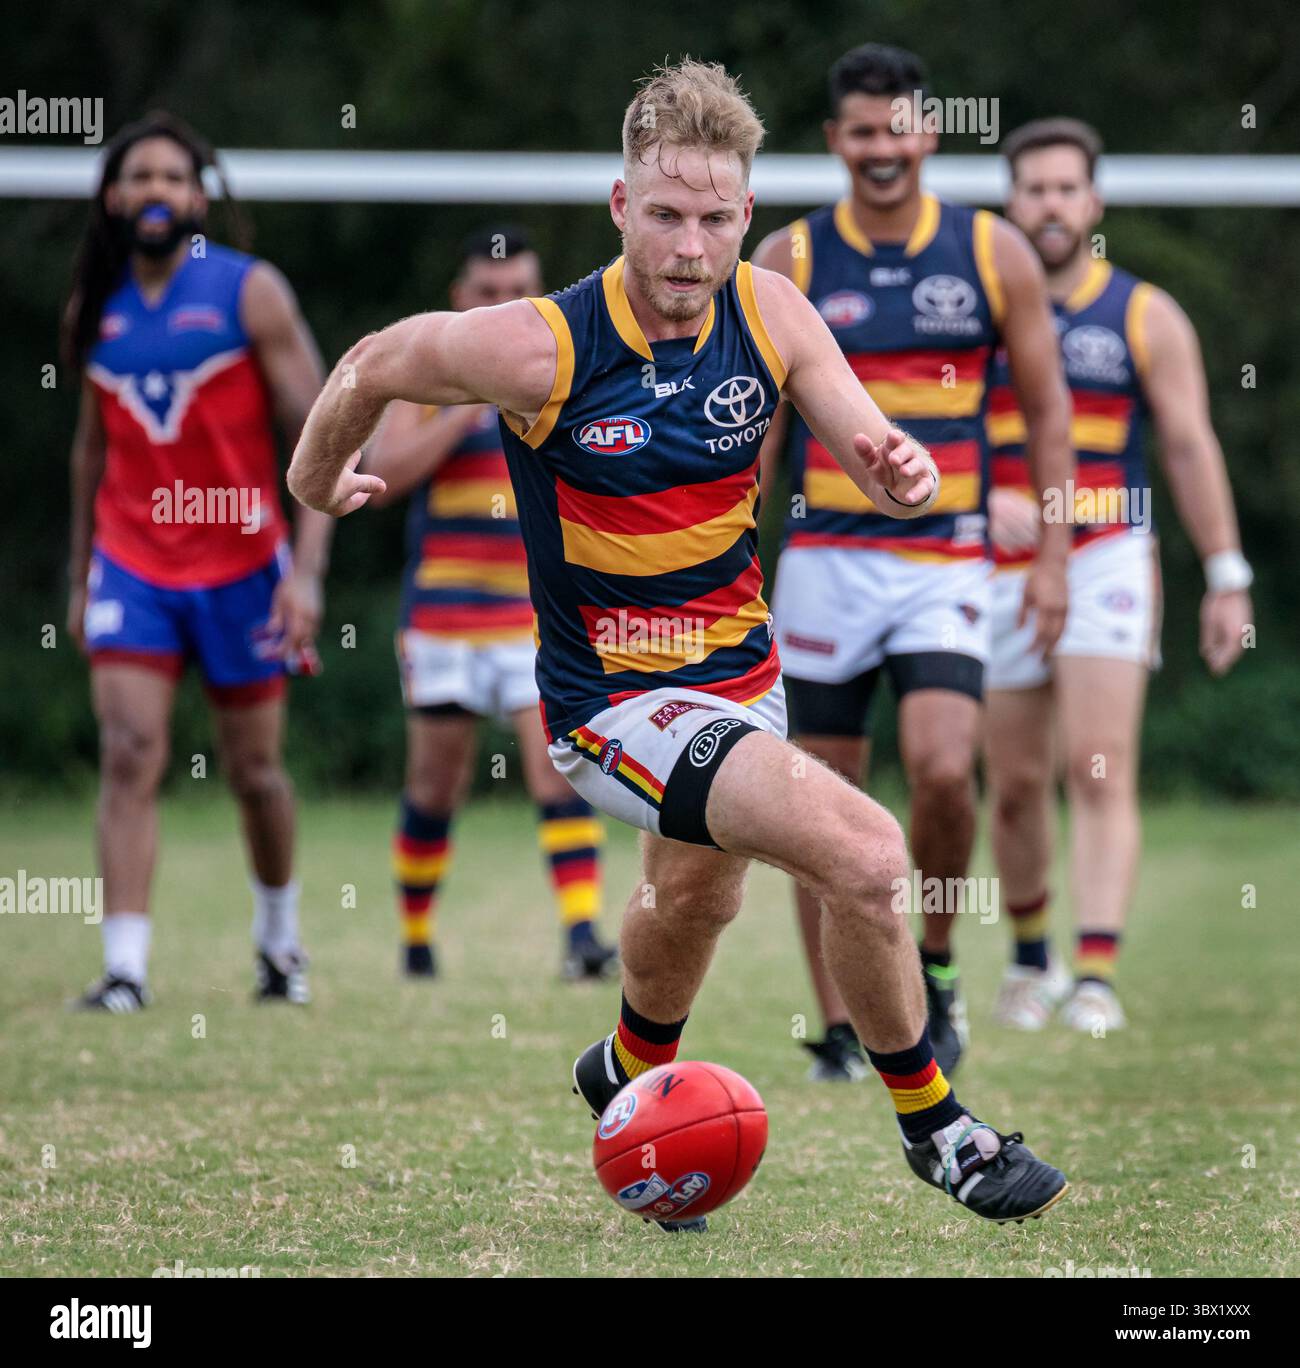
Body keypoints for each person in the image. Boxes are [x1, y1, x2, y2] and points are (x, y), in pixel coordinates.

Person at [288, 60, 1069, 1230]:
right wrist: (312, 478)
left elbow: (867, 444)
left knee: (694, 902)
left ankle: (622, 1065)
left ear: (745, 215)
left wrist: (897, 473)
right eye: (664, 215)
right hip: (612, 707)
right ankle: (939, 1128)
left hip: (743, 681)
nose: (689, 247)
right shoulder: (542, 346)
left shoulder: (774, 309)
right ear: (620, 207)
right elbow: (377, 359)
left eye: (713, 218)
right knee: (862, 851)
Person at [752, 45, 1072, 1078]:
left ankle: (931, 963)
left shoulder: (993, 253)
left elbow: (1047, 407)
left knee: (942, 772)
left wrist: (1055, 551)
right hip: (824, 562)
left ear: (928, 134)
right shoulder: (788, 260)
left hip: (944, 561)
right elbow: (750, 426)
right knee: (817, 802)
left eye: (897, 129)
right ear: (834, 139)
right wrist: (725, 555)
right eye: (860, 131)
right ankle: (842, 1029)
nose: (880, 149)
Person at [984, 118, 1254, 1032]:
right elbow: (927, 428)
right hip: (995, 565)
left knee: (1098, 770)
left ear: (1092, 203)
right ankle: (1030, 960)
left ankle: (1096, 971)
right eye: (1034, 189)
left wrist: (1227, 574)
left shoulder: (1144, 312)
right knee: (1015, 782)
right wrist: (982, 495)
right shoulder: (974, 310)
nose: (1050, 205)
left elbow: (1187, 445)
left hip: (1106, 554)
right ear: (1011, 202)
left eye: (1066, 189)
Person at [63, 112, 334, 1010]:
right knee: (130, 750)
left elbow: (323, 433)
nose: (155, 193)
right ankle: (127, 971)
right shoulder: (93, 307)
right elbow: (90, 456)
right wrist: (79, 577)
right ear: (112, 196)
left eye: (173, 179)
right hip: (132, 566)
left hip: (243, 566)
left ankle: (279, 944)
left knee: (255, 772)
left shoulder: (249, 293)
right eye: (139, 178)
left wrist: (305, 572)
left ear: (199, 196)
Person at [360, 227, 616, 981]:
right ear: (458, 299)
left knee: (557, 769)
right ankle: (415, 938)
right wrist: (464, 409)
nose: (503, 306)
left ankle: (581, 936)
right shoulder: (426, 377)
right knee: (436, 784)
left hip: (534, 617)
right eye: (487, 292)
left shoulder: (562, 367)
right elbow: (383, 475)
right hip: (443, 615)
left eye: (519, 292)